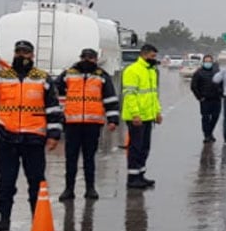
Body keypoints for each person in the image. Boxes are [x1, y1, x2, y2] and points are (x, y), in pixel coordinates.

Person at [0, 40, 63, 231]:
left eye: (26, 52)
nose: (22, 55)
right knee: (6, 182)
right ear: (14, 53)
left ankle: (37, 220)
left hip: (33, 138)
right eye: (19, 52)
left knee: (36, 182)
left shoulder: (42, 78)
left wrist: (54, 135)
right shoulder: (2, 76)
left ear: (33, 55)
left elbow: (54, 109)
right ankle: (4, 220)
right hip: (7, 137)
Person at [55, 48, 120, 201]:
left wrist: (113, 120)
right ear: (80, 58)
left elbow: (110, 98)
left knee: (89, 158)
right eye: (85, 57)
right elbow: (55, 89)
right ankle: (68, 189)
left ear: (96, 59)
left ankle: (90, 188)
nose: (87, 60)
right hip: (72, 123)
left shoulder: (102, 76)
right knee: (71, 158)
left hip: (92, 123)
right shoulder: (69, 74)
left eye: (91, 58)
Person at [121, 43, 162, 189]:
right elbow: (130, 95)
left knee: (145, 147)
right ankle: (132, 178)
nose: (154, 59)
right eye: (152, 56)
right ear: (144, 54)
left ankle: (141, 175)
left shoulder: (151, 71)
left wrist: (157, 112)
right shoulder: (133, 70)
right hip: (136, 117)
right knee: (135, 147)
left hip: (148, 116)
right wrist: (135, 114)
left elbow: (153, 95)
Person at [190, 53, 222, 143]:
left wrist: (221, 93)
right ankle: (207, 135)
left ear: (212, 62)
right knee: (205, 118)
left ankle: (210, 132)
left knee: (215, 117)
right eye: (206, 61)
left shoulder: (217, 72)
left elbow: (222, 83)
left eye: (209, 61)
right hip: (205, 99)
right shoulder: (198, 73)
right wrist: (199, 97)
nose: (208, 63)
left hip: (216, 99)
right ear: (203, 62)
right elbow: (193, 86)